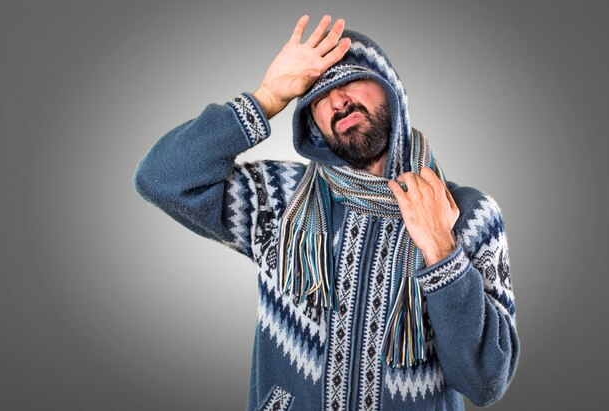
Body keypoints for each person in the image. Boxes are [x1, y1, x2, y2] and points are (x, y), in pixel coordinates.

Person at [134, 15, 519, 411]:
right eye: (317, 97)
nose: (337, 101)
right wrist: (265, 98)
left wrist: (442, 251)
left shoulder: (469, 215)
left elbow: (486, 382)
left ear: (391, 89)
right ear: (312, 126)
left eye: (350, 80)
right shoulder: (279, 199)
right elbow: (161, 178)